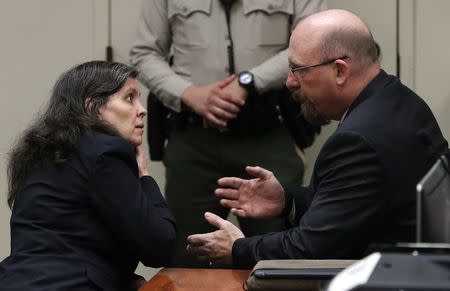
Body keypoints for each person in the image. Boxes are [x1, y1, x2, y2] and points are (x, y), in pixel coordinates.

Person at [186, 9, 449, 269]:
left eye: (298, 69)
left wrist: (236, 249)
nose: (289, 82)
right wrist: (286, 202)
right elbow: (352, 205)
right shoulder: (399, 99)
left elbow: (310, 249)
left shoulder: (358, 140)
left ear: (339, 71)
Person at [130, 0, 326, 267]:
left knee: (277, 255)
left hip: (268, 137)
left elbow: (315, 43)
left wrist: (249, 80)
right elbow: (144, 53)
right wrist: (188, 94)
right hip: (194, 142)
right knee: (186, 253)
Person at [0, 61, 176, 290]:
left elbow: (76, 246)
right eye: (129, 98)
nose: (142, 109)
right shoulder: (104, 152)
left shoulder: (41, 155)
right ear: (92, 107)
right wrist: (144, 177)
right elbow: (160, 245)